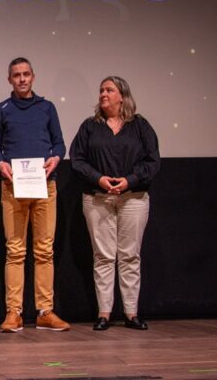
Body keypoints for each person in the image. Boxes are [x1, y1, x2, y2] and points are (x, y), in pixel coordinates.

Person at [69, 76, 160, 331]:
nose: (103, 94)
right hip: (98, 198)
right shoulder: (90, 126)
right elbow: (77, 160)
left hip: (133, 198)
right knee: (104, 256)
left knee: (130, 256)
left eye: (109, 90)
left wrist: (129, 180)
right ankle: (104, 313)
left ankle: (131, 313)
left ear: (122, 95)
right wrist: (99, 179)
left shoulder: (140, 126)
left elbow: (152, 161)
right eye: (101, 90)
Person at [0, 57, 70, 333]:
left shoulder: (47, 108)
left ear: (33, 76)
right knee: (15, 250)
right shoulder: (1, 110)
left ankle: (45, 311)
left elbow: (59, 143)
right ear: (9, 80)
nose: (22, 79)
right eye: (16, 75)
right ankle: (14, 312)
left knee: (44, 250)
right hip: (13, 186)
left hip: (45, 185)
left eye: (26, 74)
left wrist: (56, 158)